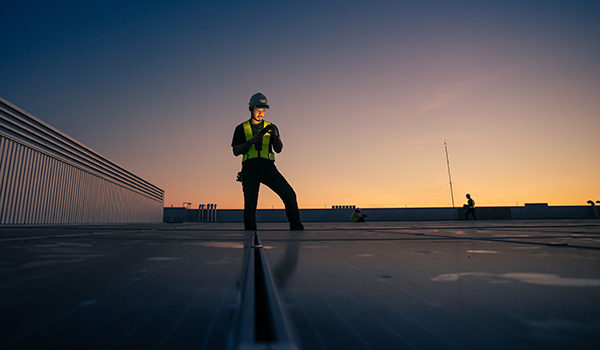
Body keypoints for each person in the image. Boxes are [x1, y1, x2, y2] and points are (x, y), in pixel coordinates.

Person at [231, 92, 304, 231]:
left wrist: (276, 137)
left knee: (289, 194)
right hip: (250, 168)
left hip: (268, 168)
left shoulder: (272, 127)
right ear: (250, 109)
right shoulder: (241, 128)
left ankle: (297, 230)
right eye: (258, 110)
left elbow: (278, 149)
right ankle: (250, 235)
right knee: (250, 205)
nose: (260, 113)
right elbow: (235, 151)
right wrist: (251, 141)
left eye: (263, 110)